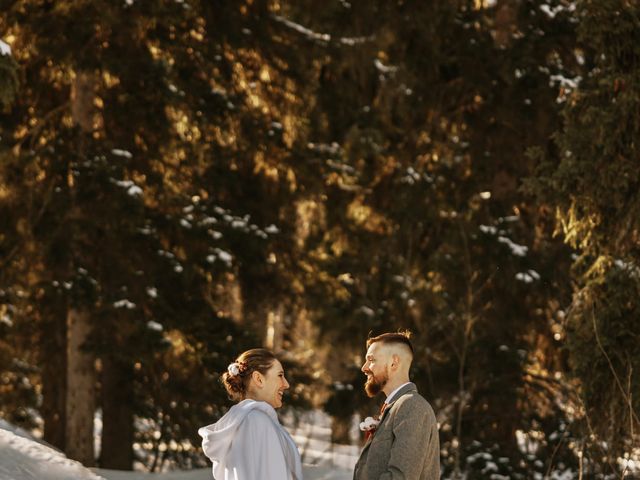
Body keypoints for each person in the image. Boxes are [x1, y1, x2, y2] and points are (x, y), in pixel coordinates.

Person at [198, 348, 302, 480]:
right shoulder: (256, 421)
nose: (286, 384)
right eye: (280, 375)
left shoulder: (244, 421)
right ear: (258, 379)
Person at [353, 331, 440, 480]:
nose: (364, 367)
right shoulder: (396, 406)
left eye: (371, 360)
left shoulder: (412, 406)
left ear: (394, 362)